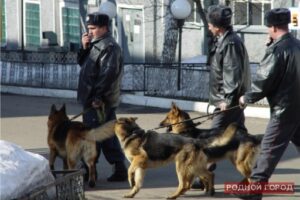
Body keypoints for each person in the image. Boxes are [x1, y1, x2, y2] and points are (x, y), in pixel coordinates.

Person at [238, 8, 300, 199]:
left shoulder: (277, 50)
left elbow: (264, 80)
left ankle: (254, 189)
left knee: (269, 148)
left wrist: (246, 98)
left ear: (272, 27)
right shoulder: (297, 44)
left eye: (268, 27)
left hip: (284, 109)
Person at [192, 4, 251, 189]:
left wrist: (226, 99)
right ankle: (255, 171)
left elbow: (232, 73)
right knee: (239, 135)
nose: (208, 26)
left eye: (210, 24)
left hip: (227, 102)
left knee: (212, 139)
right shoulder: (225, 39)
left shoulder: (230, 42)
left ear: (217, 26)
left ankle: (203, 176)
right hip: (230, 100)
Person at [77, 12, 127, 182]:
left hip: (99, 100)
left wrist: (98, 97)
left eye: (93, 28)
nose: (89, 32)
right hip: (92, 97)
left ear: (104, 28)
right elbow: (83, 64)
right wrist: (84, 48)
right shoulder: (95, 43)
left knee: (92, 135)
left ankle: (88, 170)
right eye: (88, 28)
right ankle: (119, 168)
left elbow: (108, 74)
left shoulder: (109, 47)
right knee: (106, 134)